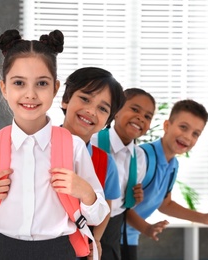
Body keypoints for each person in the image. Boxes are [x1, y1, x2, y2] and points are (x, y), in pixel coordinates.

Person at [0, 29, 109, 260]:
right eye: (19, 83)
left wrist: (86, 193)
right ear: (4, 88)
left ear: (55, 89)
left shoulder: (74, 147)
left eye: (41, 83)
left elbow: (97, 215)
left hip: (59, 251)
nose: (30, 94)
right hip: (0, 250)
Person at [121, 99, 208, 260]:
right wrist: (147, 228)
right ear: (167, 126)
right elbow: (119, 204)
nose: (188, 136)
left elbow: (165, 204)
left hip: (130, 237)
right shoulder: (142, 157)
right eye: (183, 127)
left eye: (195, 134)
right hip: (110, 236)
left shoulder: (173, 165)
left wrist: (203, 218)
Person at [60, 67, 127, 259]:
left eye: (103, 108)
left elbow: (106, 208)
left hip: (77, 250)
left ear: (108, 122)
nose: (91, 111)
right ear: (65, 100)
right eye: (85, 99)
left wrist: (95, 239)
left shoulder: (105, 163)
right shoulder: (38, 147)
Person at [90, 88, 155, 260]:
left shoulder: (139, 157)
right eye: (135, 109)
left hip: (113, 226)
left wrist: (133, 199)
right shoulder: (92, 141)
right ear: (116, 111)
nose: (141, 117)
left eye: (148, 116)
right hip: (87, 223)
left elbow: (123, 202)